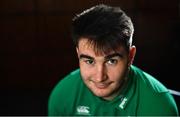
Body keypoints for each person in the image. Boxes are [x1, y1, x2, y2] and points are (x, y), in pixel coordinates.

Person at [48, 4, 179, 116]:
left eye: (111, 61)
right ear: (78, 54)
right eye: (89, 61)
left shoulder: (159, 106)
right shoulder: (62, 95)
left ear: (131, 56)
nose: (100, 77)